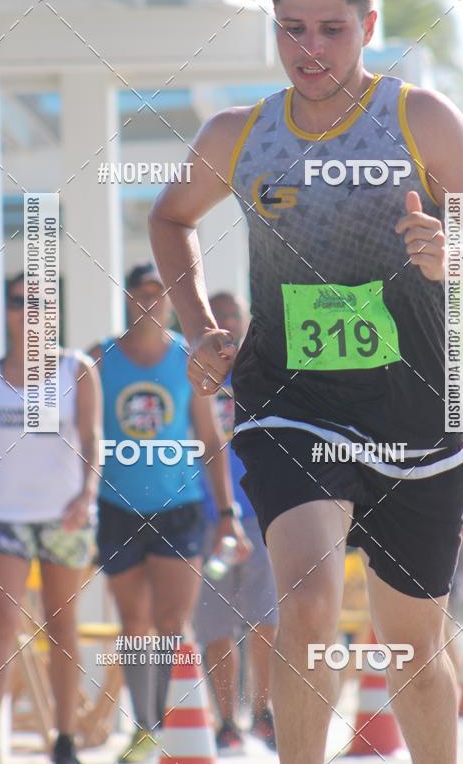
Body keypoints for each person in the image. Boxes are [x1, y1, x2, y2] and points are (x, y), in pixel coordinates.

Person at [148, 0, 463, 764]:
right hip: (292, 406)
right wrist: (198, 327)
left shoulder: (419, 118)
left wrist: (457, 254)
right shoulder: (239, 135)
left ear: (368, 24)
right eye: (292, 28)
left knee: (415, 659)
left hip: (415, 422)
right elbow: (169, 217)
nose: (310, 49)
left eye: (331, 29)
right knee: (310, 603)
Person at [88, 262, 249, 763]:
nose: (152, 302)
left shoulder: (186, 356)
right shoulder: (100, 358)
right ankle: (145, 725)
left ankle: (179, 724)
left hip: (179, 507)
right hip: (116, 507)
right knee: (135, 623)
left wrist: (227, 512)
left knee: (174, 622)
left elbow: (210, 440)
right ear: (129, 298)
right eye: (143, 293)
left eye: (160, 293)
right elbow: (80, 435)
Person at [0, 273, 102, 764]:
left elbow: (93, 438)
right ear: (7, 309)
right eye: (19, 302)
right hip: (6, 517)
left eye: (39, 304)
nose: (28, 312)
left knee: (63, 626)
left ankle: (64, 738)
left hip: (63, 514)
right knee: (1, 623)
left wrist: (87, 495)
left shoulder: (75, 368)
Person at [194, 292, 277, 754]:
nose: (226, 324)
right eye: (218, 318)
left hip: (263, 516)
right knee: (217, 623)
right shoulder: (197, 376)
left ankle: (262, 712)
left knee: (268, 618)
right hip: (211, 523)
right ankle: (226, 720)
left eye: (232, 316)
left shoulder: (263, 371)